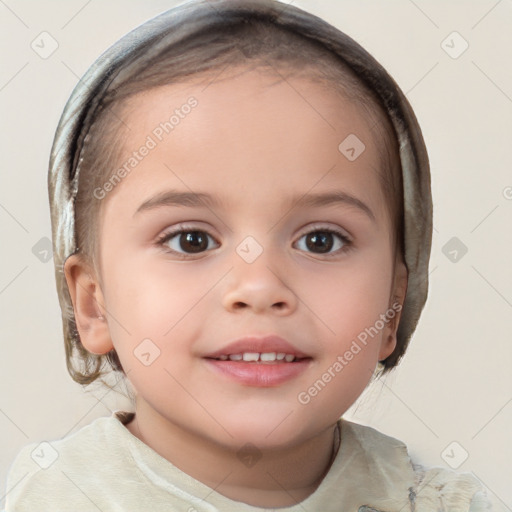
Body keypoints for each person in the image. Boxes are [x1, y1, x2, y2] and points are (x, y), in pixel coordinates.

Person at [4, 0, 492, 510]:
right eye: (190, 239)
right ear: (93, 304)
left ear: (393, 304)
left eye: (320, 240)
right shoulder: (50, 497)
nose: (259, 287)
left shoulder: (435, 502)